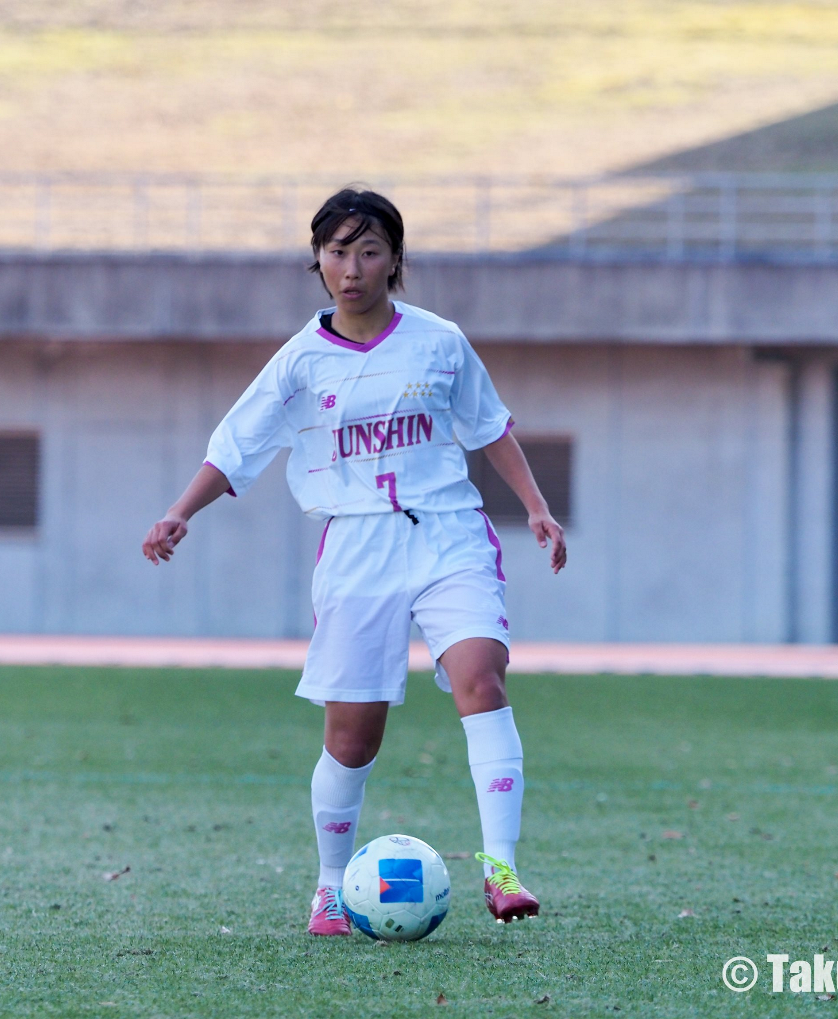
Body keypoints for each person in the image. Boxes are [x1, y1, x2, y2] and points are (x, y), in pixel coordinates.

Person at [142, 187, 567, 935]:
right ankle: (331, 886)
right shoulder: (301, 361)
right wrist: (180, 510)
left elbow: (489, 426)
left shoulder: (439, 341)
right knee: (352, 735)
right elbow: (236, 446)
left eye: (369, 250)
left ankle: (502, 869)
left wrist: (535, 506)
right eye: (338, 250)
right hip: (357, 545)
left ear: (395, 260)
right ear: (318, 259)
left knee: (480, 675)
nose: (353, 267)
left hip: (447, 532)